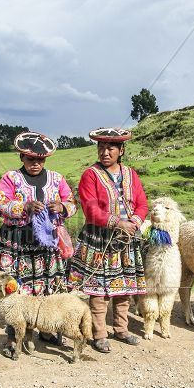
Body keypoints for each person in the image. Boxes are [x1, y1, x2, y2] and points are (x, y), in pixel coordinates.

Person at [0, 131, 77, 356]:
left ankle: (47, 329)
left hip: (47, 246)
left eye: (40, 160)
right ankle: (14, 337)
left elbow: (72, 203)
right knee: (15, 290)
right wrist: (24, 207)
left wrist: (62, 207)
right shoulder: (11, 178)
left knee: (48, 287)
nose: (35, 164)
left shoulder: (57, 179)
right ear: (22, 157)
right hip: (17, 242)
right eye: (31, 159)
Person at [68, 127, 148, 353]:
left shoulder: (131, 174)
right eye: (101, 147)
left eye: (110, 148)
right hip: (100, 241)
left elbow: (142, 203)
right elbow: (91, 209)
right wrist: (116, 222)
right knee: (100, 289)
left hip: (127, 241)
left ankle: (122, 329)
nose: (104, 152)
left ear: (121, 150)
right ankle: (99, 333)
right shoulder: (90, 175)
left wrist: (135, 221)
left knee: (124, 287)